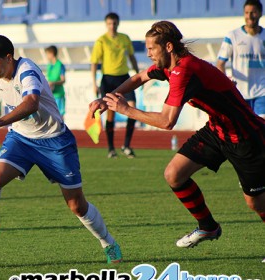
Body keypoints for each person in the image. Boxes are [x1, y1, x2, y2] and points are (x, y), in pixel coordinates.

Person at [89, 21, 265, 259]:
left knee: (255, 203)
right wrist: (107, 97)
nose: (148, 53)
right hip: (217, 129)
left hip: (244, 136)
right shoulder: (170, 66)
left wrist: (126, 109)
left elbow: (166, 121)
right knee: (174, 174)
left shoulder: (185, 70)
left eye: (152, 48)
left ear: (168, 46)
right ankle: (208, 227)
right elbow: (139, 78)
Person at [0, 35, 122, 264]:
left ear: (8, 57)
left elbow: (31, 103)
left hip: (55, 141)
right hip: (20, 138)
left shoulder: (27, 71)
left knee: (76, 205)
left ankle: (108, 242)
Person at [91, 12, 140, 158]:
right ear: (106, 25)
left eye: (114, 23)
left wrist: (138, 76)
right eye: (109, 23)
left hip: (125, 78)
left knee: (132, 108)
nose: (112, 26)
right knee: (110, 114)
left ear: (118, 23)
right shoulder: (101, 41)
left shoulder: (125, 38)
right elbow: (94, 63)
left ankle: (126, 145)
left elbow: (132, 57)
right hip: (108, 80)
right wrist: (94, 82)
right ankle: (111, 149)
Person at [217, 0, 265, 119]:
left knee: (262, 127)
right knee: (244, 130)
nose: (249, 16)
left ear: (260, 13)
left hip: (262, 93)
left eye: (253, 12)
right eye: (246, 12)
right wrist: (226, 84)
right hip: (240, 93)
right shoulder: (233, 36)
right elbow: (220, 63)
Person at [45, 45, 66, 119]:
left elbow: (63, 80)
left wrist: (53, 83)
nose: (47, 56)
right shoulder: (49, 65)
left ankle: (62, 130)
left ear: (51, 53)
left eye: (47, 54)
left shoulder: (60, 65)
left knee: (60, 116)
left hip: (59, 94)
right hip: (50, 95)